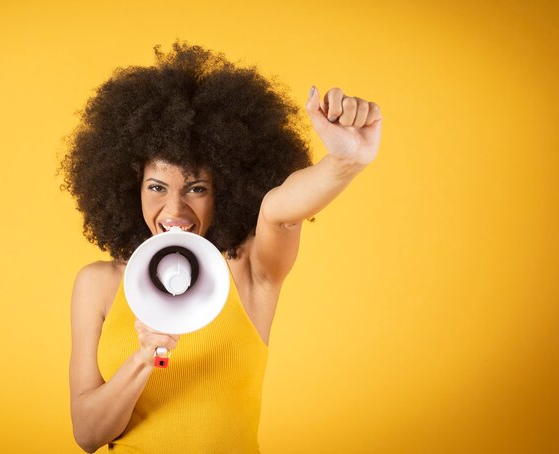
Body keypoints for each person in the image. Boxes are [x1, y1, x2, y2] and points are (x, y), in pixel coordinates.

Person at [59, 40, 382, 453]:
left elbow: (280, 212)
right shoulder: (97, 284)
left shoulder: (250, 271)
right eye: (156, 187)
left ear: (223, 191)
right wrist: (145, 358)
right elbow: (87, 435)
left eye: (196, 188)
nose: (174, 209)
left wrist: (343, 163)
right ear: (130, 189)